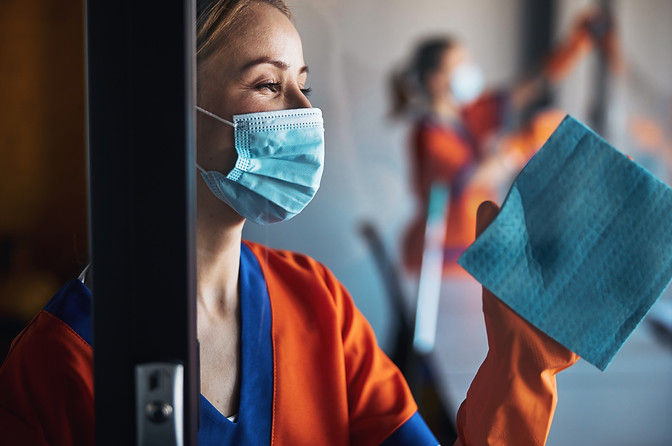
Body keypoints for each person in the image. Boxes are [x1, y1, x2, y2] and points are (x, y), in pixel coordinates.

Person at [0, 1, 579, 444]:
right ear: (164, 110)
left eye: (305, 84)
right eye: (268, 85)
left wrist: (516, 370)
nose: (306, 113)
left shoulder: (319, 304)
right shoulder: (54, 368)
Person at [391, 10, 613, 275]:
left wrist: (578, 43)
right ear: (436, 80)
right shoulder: (430, 134)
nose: (469, 70)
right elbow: (472, 179)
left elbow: (533, 84)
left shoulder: (468, 116)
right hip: (443, 261)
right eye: (459, 65)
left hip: (467, 252)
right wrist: (524, 143)